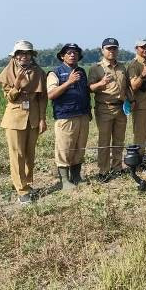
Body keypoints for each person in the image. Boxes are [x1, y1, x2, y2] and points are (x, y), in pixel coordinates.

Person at [0, 40, 48, 204]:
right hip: (14, 118)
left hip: (32, 117)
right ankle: (21, 190)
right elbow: (9, 98)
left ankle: (26, 183)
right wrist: (17, 84)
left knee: (29, 153)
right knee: (17, 154)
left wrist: (42, 119)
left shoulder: (38, 72)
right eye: (20, 53)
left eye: (27, 53)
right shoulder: (8, 71)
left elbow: (42, 98)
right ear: (15, 55)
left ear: (31, 55)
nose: (23, 56)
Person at [47, 43, 91, 190]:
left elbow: (85, 91)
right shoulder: (55, 73)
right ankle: (64, 181)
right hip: (66, 116)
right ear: (62, 56)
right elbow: (51, 94)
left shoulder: (82, 71)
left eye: (75, 53)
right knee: (64, 149)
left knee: (80, 147)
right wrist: (69, 82)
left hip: (83, 115)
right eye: (69, 52)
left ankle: (77, 176)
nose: (72, 55)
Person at [89, 37, 132, 181]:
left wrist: (130, 100)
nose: (112, 51)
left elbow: (126, 86)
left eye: (114, 48)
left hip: (120, 108)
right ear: (102, 50)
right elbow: (90, 88)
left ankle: (117, 168)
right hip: (104, 108)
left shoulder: (122, 67)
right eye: (109, 48)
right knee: (104, 141)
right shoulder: (96, 68)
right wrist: (101, 83)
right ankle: (103, 171)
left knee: (119, 140)